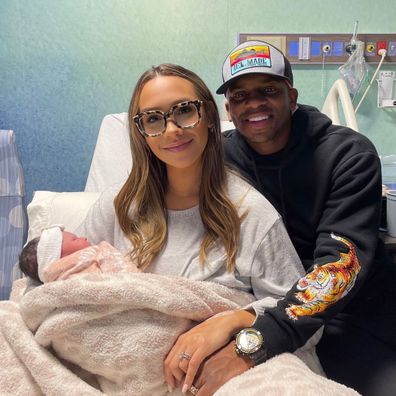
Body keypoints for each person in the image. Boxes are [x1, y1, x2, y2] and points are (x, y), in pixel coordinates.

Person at [75, 63, 324, 394]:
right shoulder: (117, 207)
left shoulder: (251, 214)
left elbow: (300, 312)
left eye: (184, 111)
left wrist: (232, 321)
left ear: (209, 116)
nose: (172, 129)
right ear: (141, 132)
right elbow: (63, 280)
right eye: (153, 119)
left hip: (214, 376)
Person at [180, 40, 396, 396]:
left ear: (291, 97)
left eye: (268, 90)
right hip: (268, 305)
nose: (254, 104)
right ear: (229, 109)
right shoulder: (217, 159)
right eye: (240, 96)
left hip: (353, 313)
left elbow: (340, 269)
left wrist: (258, 340)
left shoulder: (348, 155)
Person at [19, 225, 139, 283]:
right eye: (75, 239)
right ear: (62, 258)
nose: (83, 237)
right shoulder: (95, 252)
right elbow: (126, 274)